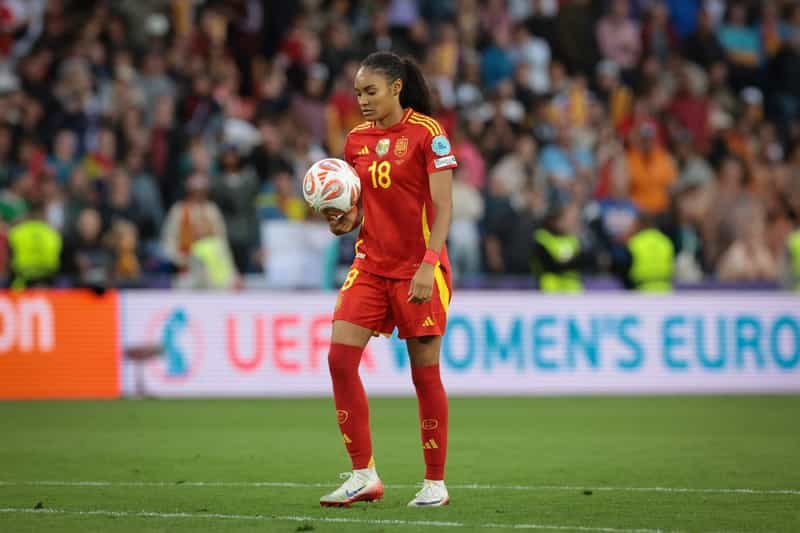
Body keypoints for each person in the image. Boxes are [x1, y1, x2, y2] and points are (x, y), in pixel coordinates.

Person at [318, 51, 456, 508]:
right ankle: (363, 475)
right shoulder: (355, 141)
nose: (362, 100)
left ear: (396, 89)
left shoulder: (428, 133)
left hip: (419, 269)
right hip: (370, 266)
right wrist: (345, 220)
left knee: (424, 374)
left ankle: (434, 482)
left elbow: (444, 207)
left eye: (370, 91)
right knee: (339, 360)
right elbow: (361, 208)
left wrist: (428, 264)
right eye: (358, 92)